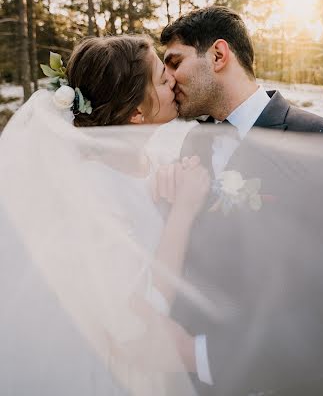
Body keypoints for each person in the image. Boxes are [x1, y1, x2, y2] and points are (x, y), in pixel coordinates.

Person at [160, 6, 323, 396]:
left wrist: (202, 356)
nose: (167, 77)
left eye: (174, 62)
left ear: (218, 55)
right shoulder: (195, 142)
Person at [0, 35, 208, 396]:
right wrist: (184, 211)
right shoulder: (90, 191)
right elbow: (138, 318)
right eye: (161, 78)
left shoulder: (152, 161)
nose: (173, 79)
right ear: (136, 113)